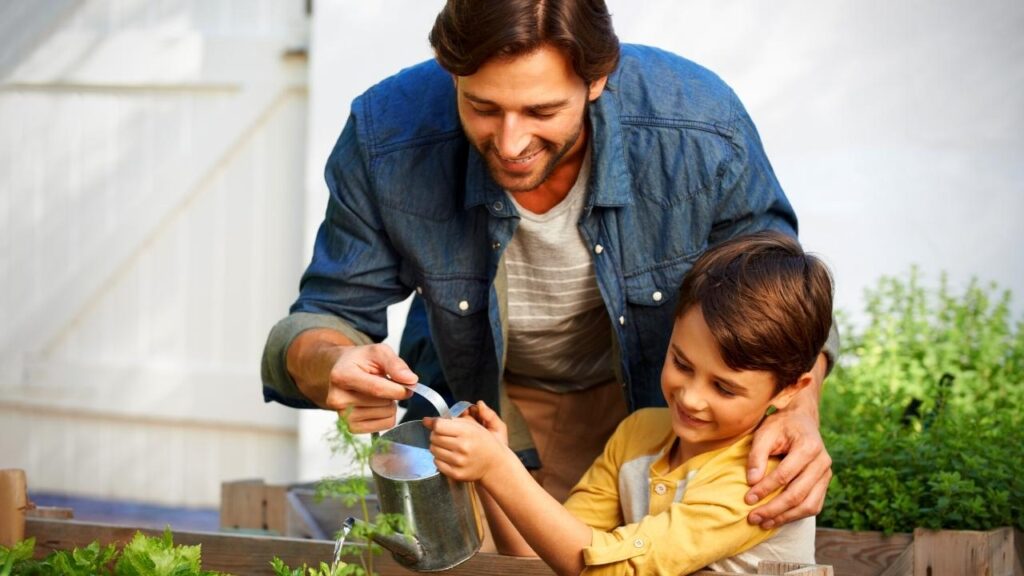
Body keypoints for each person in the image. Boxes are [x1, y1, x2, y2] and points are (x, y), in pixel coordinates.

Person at [261, 0, 836, 528]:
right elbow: (324, 315)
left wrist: (800, 409)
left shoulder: (699, 127)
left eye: (541, 110)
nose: (510, 143)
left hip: (655, 401)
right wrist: (332, 360)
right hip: (483, 400)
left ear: (598, 79)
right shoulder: (385, 135)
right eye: (482, 106)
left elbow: (780, 290)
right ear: (450, 71)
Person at [425, 231, 833, 575]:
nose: (691, 397)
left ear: (788, 390)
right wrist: (494, 468)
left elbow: (610, 571)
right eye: (681, 363)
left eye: (724, 389)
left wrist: (500, 468)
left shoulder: (762, 479)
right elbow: (548, 555)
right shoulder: (640, 433)